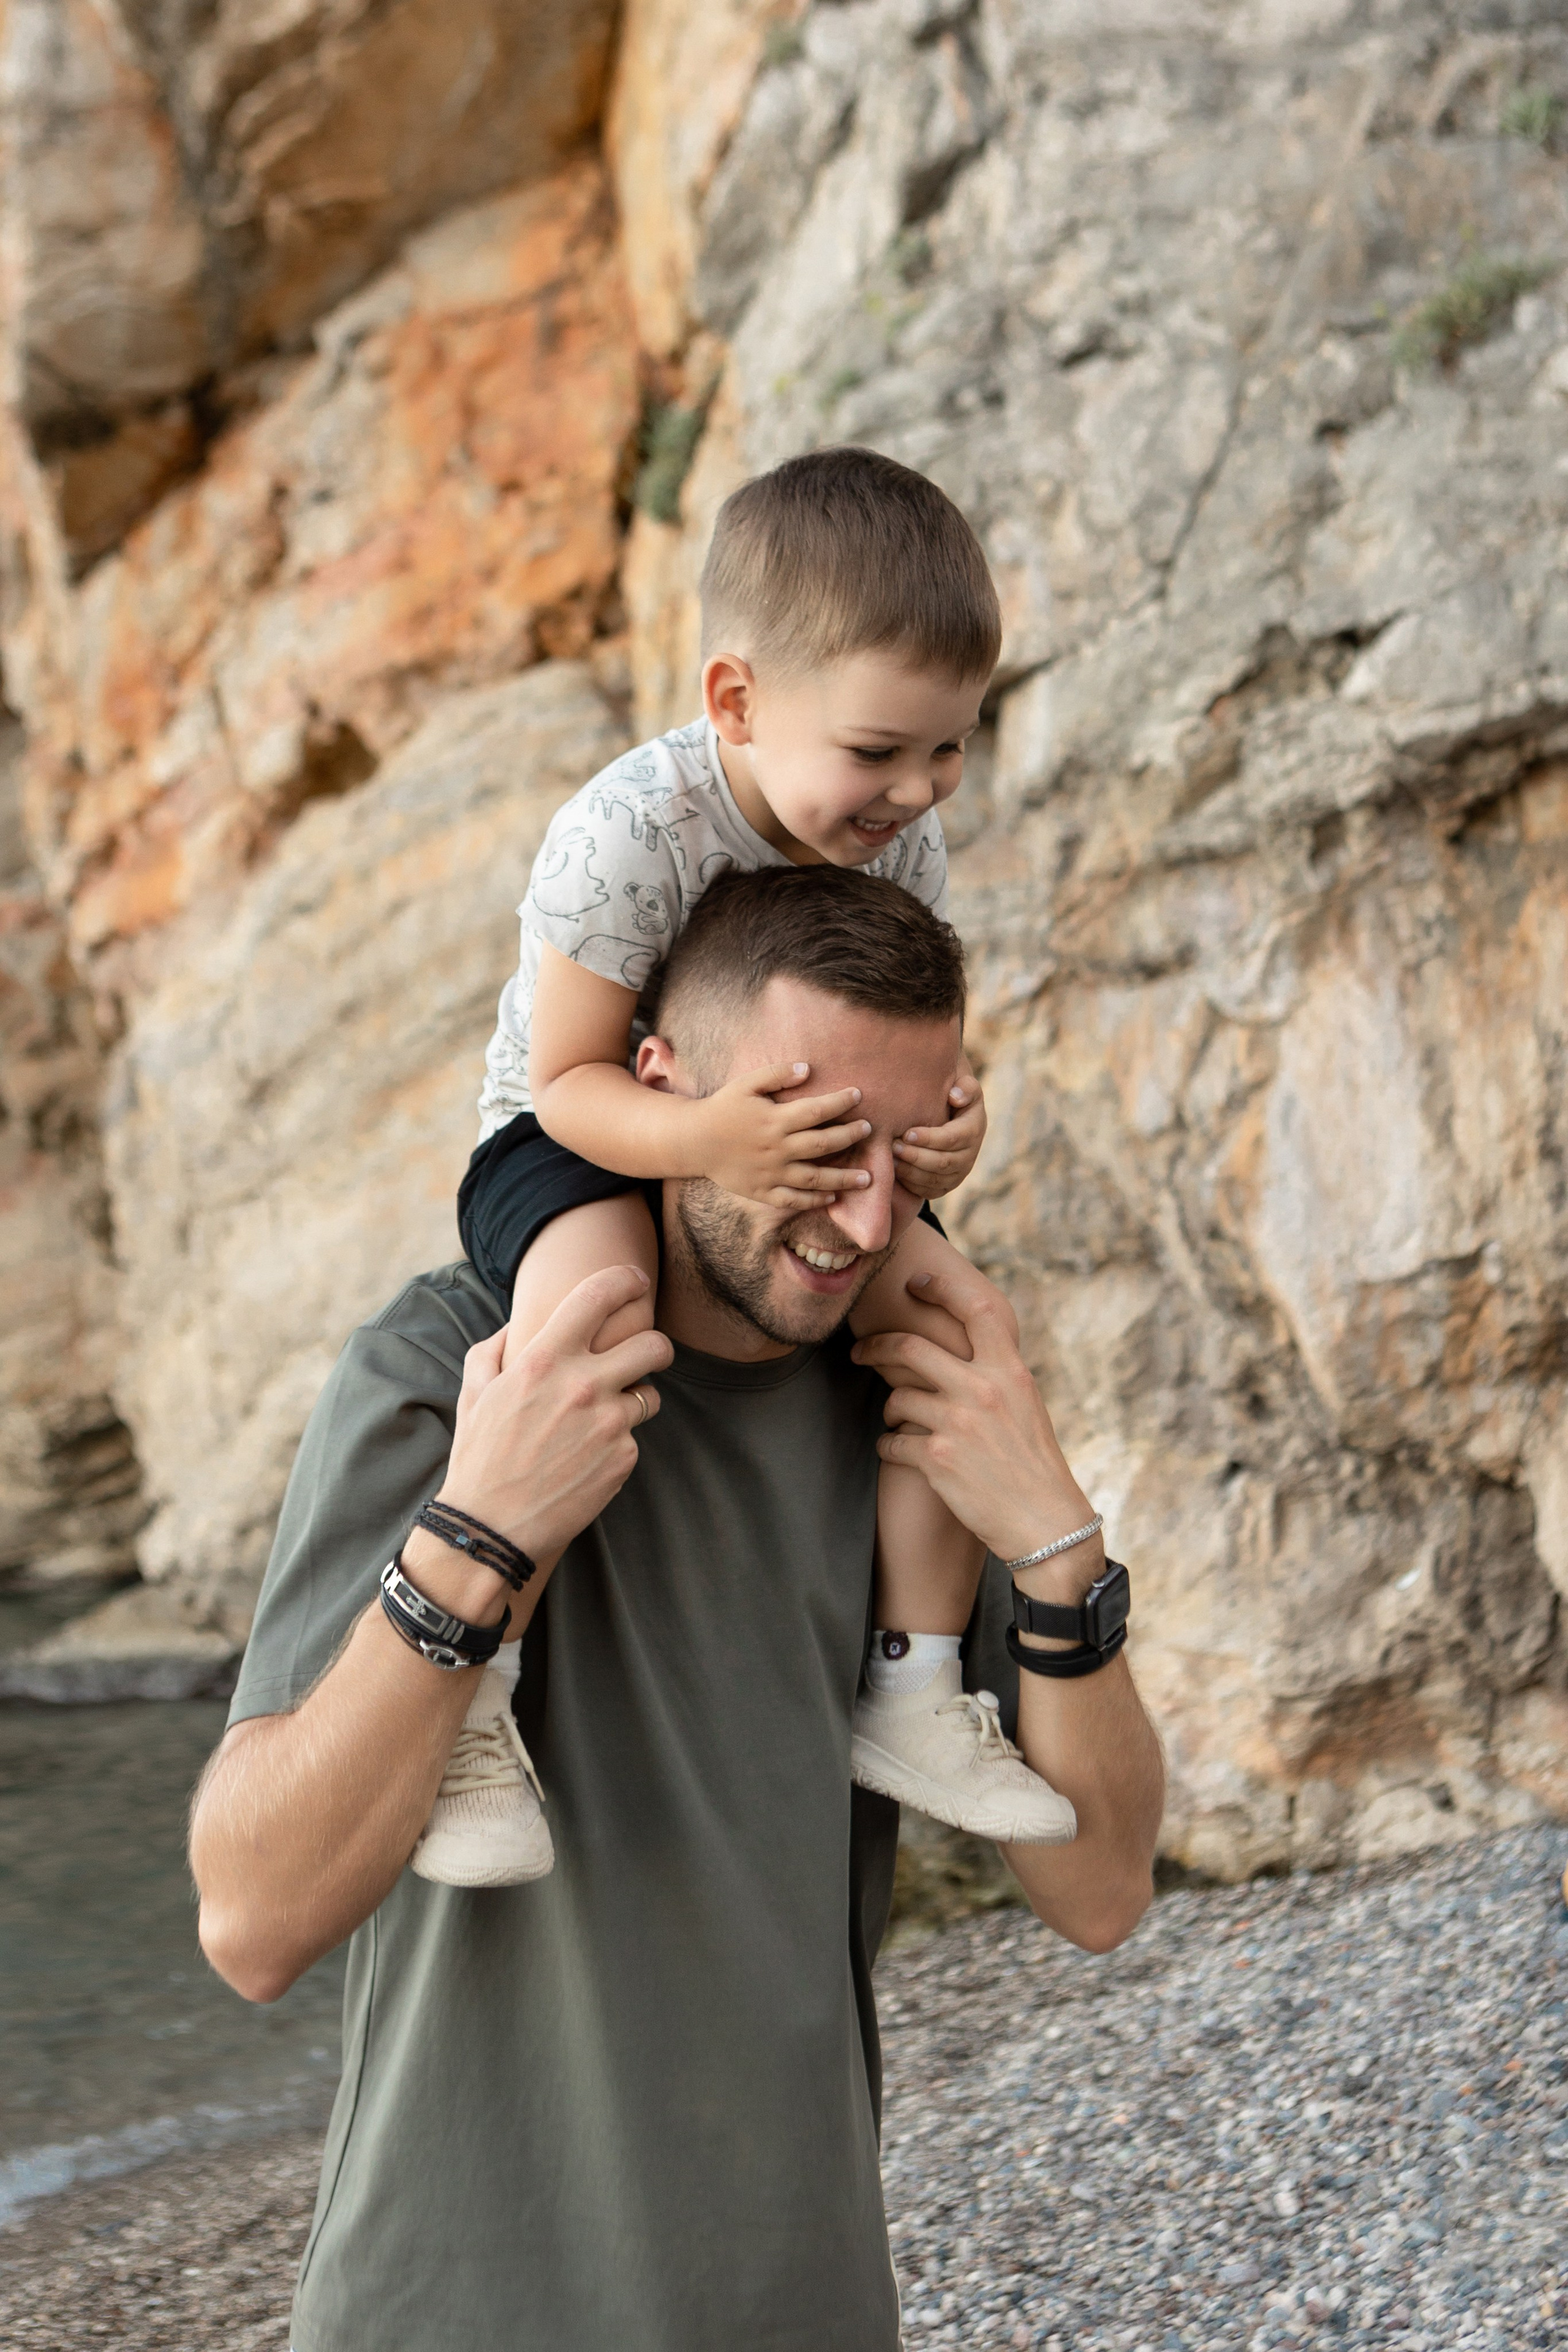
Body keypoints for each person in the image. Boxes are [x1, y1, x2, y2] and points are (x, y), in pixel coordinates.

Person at [189, 867, 1165, 2352]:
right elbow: (254, 1920)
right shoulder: (451, 1368)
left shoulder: (908, 1405)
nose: (864, 1214)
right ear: (660, 1088)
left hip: (800, 2307)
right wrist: (483, 1530)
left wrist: (1052, 1548)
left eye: (909, 1159)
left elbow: (1098, 1896)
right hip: (441, 2313)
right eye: (820, 1145)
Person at [443, 445, 1068, 1885]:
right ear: (736, 700)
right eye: (878, 750)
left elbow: (912, 1044)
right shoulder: (623, 836)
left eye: (948, 747)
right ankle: (474, 1690)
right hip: (580, 1139)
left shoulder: (898, 844)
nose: (917, 789)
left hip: (783, 1138)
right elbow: (569, 1084)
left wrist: (947, 1134)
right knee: (590, 1319)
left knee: (957, 1325)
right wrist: (710, 1140)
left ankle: (911, 1685)